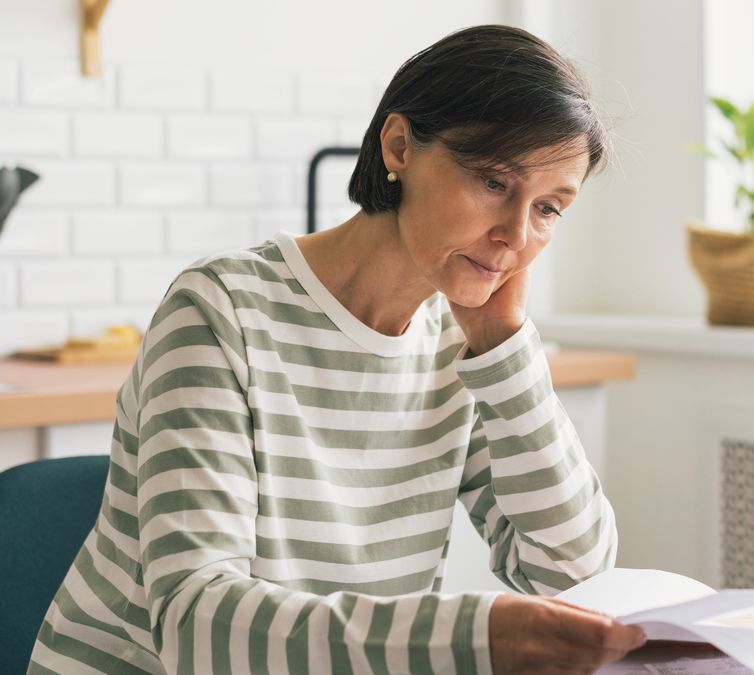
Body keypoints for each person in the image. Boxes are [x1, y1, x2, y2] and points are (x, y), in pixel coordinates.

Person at [29, 24, 645, 675]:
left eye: (549, 207)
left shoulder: (466, 346)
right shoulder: (219, 312)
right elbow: (196, 626)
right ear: (399, 144)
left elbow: (572, 575)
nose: (515, 235)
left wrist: (503, 349)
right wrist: (469, 636)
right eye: (494, 182)